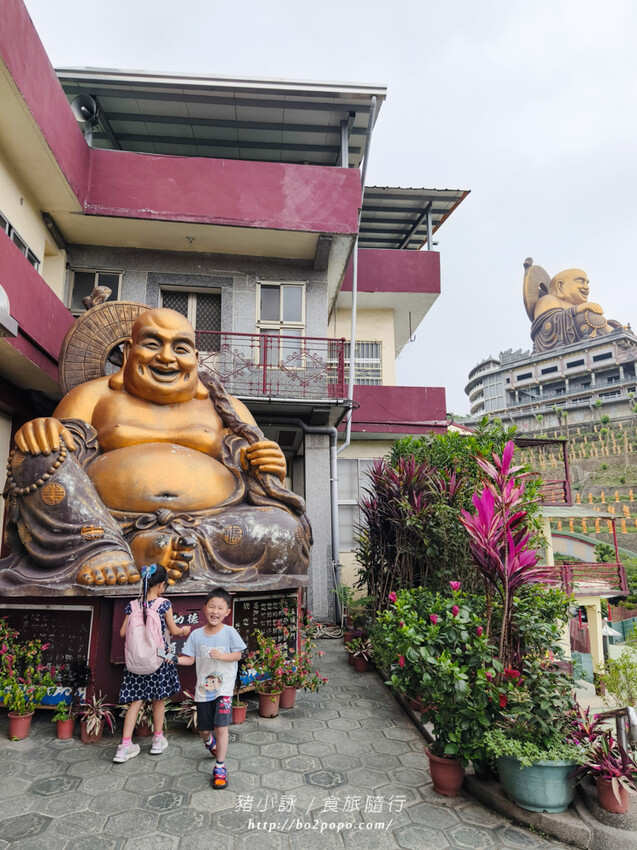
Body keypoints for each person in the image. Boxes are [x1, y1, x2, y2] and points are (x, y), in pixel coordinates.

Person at [1, 307, 311, 591]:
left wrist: (268, 467)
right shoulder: (93, 396)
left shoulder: (226, 408)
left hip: (210, 524)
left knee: (287, 531)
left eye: (180, 348)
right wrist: (42, 430)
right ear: (128, 351)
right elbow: (60, 459)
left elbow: (261, 473)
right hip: (101, 524)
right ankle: (104, 550)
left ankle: (159, 546)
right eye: (152, 344)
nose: (166, 357)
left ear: (196, 357)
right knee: (36, 454)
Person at [113, 563, 191, 763]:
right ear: (161, 585)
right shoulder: (164, 604)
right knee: (158, 699)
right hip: (159, 658)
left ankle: (124, 747)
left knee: (136, 701)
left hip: (137, 660)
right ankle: (157, 740)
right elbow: (173, 631)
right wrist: (184, 631)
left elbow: (122, 633)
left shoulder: (132, 605)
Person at [177, 587, 246, 789]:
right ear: (204, 609)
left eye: (220, 608)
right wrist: (171, 659)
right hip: (203, 691)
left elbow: (238, 655)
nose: (215, 611)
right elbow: (189, 660)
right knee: (204, 730)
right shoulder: (197, 635)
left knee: (221, 728)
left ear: (227, 612)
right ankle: (210, 744)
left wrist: (222, 656)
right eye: (212, 607)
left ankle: (220, 767)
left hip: (223, 690)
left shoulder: (230, 632)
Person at [531, 268, 620, 352]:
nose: (586, 287)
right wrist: (576, 310)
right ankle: (616, 336)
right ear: (560, 286)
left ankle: (617, 332)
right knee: (588, 317)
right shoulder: (548, 299)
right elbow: (548, 325)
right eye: (581, 282)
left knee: (602, 320)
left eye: (587, 283)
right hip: (560, 344)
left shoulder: (576, 306)